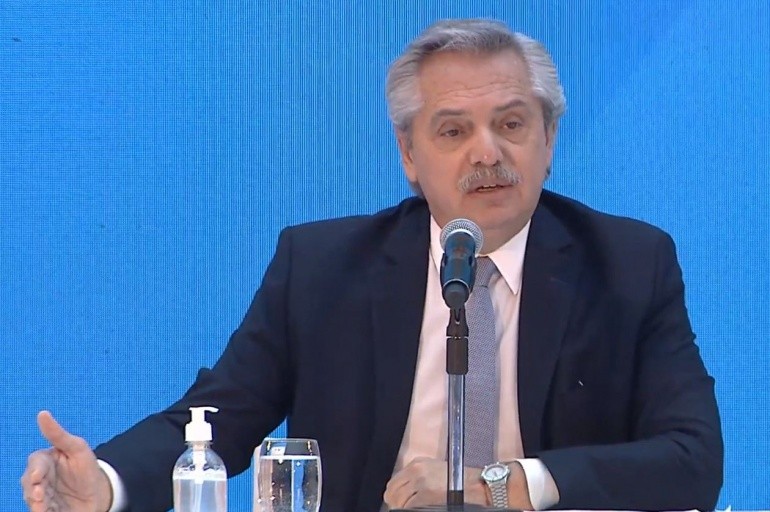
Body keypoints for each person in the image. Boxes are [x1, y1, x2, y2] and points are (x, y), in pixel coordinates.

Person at [22, 18, 723, 512]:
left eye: (511, 124)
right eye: (453, 130)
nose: (487, 152)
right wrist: (105, 483)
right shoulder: (322, 268)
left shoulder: (629, 265)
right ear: (409, 156)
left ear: (549, 139)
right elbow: (217, 418)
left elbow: (693, 460)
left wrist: (505, 484)